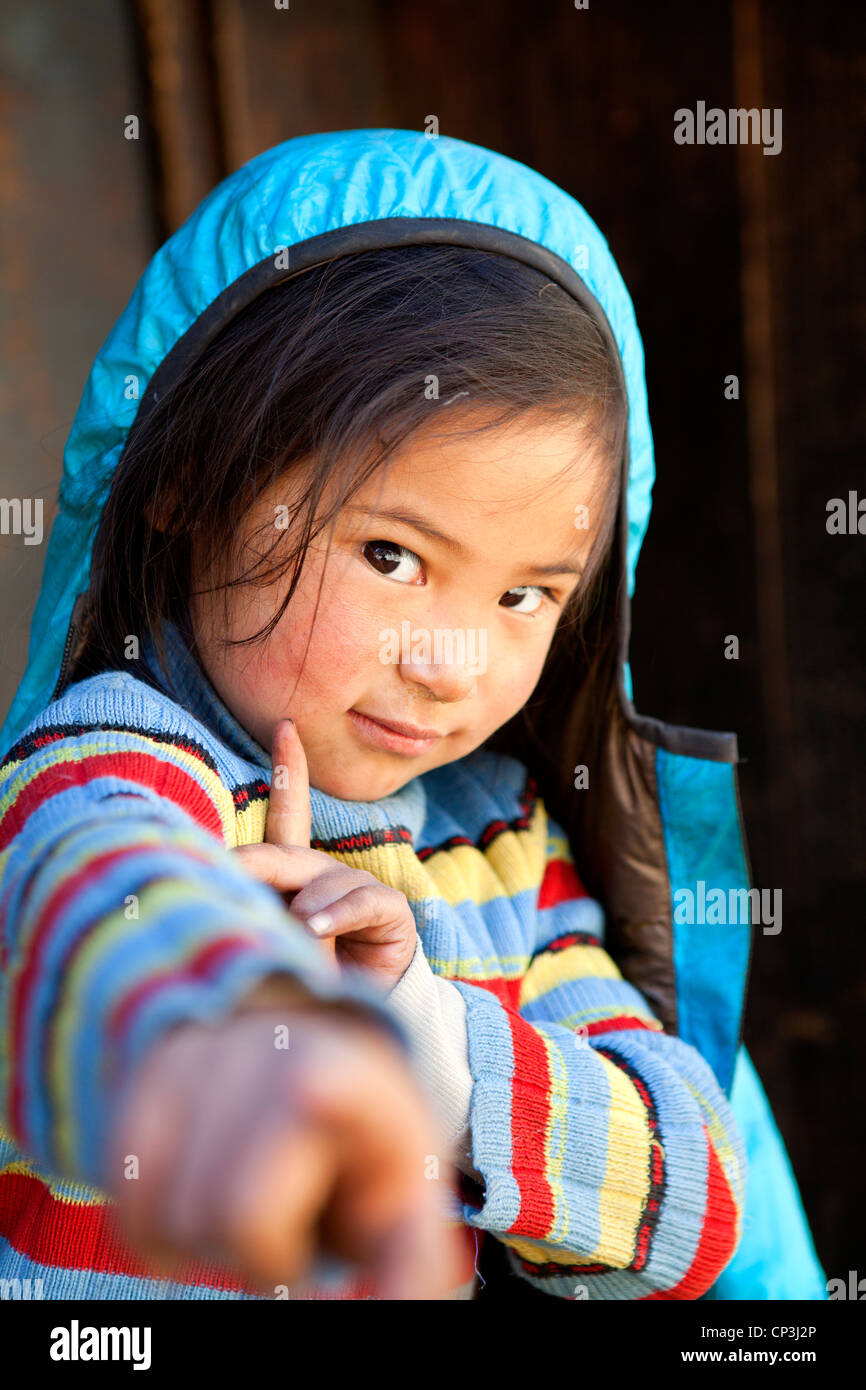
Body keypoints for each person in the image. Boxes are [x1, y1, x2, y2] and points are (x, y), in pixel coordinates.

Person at [0, 129, 825, 1300]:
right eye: (390, 554)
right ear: (185, 476)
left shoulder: (505, 845)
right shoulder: (109, 767)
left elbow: (693, 1196)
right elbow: (101, 913)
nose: (452, 663)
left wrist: (435, 1055)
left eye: (525, 594)